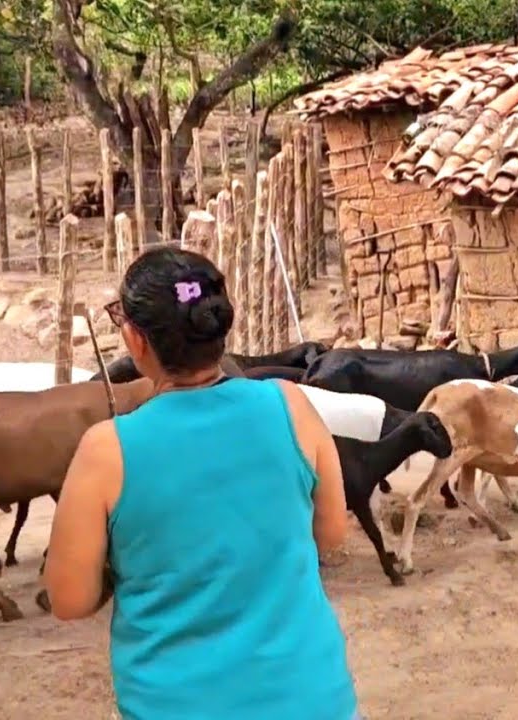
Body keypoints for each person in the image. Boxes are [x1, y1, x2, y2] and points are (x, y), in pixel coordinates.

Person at [43, 247, 361, 720]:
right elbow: (332, 537)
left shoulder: (106, 450)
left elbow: (69, 600)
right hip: (312, 698)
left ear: (136, 340)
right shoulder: (290, 405)